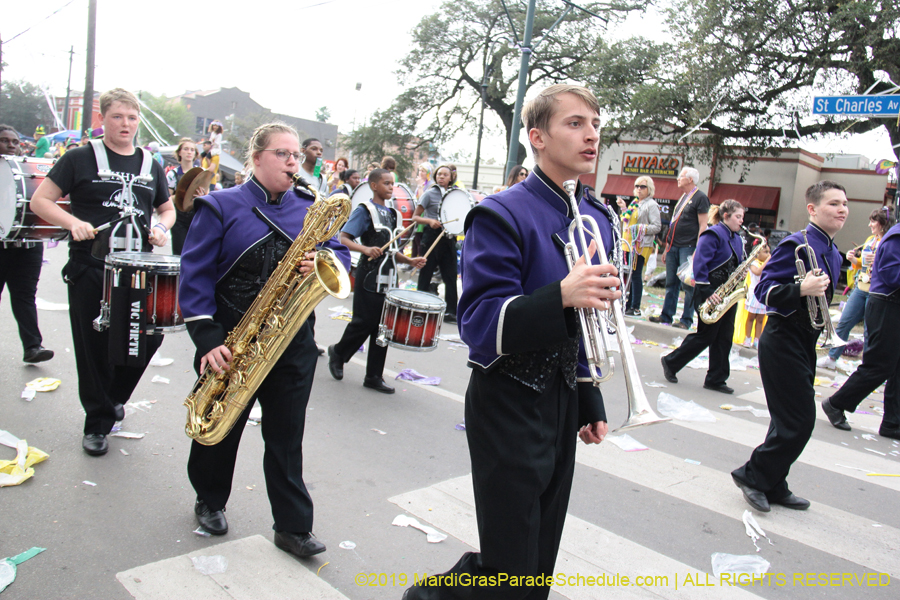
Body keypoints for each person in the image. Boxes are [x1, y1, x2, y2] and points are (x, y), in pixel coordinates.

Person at [403, 84, 618, 600]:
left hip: (562, 398)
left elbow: (588, 326)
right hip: (507, 400)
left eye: (595, 124)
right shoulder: (500, 213)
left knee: (538, 558)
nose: (591, 135)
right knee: (510, 568)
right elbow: (478, 324)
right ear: (537, 137)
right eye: (575, 123)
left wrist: (589, 396)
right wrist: (560, 295)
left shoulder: (597, 218)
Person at [178, 122, 350, 556]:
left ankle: (293, 527)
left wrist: (323, 258)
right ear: (256, 158)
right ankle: (209, 499)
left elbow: (341, 255)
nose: (293, 163)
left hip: (293, 340)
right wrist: (207, 339)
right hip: (232, 340)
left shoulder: (311, 209)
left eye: (296, 156)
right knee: (224, 426)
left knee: (287, 436)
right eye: (282, 154)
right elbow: (194, 275)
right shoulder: (220, 206)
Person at [29, 88, 175, 456]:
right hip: (91, 265)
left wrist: (162, 227)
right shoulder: (79, 158)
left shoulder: (151, 163)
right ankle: (96, 424)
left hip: (138, 270)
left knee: (148, 339)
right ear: (103, 119)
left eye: (132, 117)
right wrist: (72, 222)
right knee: (94, 348)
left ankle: (112, 401)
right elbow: (40, 200)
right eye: (117, 117)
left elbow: (167, 208)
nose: (125, 124)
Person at [732, 181, 847, 512]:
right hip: (783, 338)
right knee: (800, 420)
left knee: (785, 419)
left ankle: (774, 483)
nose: (842, 209)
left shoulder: (832, 251)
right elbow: (763, 291)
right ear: (812, 209)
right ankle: (752, 476)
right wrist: (801, 288)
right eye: (833, 204)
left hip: (806, 340)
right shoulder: (797, 244)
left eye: (844, 204)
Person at [327, 169, 426, 393]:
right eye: (386, 183)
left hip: (389, 276)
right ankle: (339, 352)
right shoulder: (365, 210)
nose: (391, 187)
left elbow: (391, 250)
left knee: (384, 327)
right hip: (369, 274)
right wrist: (365, 249)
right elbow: (344, 238)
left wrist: (410, 261)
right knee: (363, 322)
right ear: (373, 185)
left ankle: (373, 375)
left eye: (392, 183)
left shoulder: (393, 214)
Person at [821, 219, 900, 439]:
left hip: (893, 304)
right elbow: (892, 276)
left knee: (896, 367)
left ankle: (893, 422)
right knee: (880, 365)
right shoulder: (897, 237)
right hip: (887, 304)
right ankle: (836, 403)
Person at [661, 200, 745, 394]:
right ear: (726, 216)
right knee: (707, 335)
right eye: (738, 216)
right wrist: (708, 293)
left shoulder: (737, 238)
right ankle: (671, 362)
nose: (741, 221)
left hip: (728, 293)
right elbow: (700, 265)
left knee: (725, 336)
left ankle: (716, 379)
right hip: (711, 291)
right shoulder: (712, 234)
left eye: (742, 217)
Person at [0, 124, 54, 363]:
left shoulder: (27, 169)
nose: (11, 145)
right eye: (5, 141)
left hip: (28, 245)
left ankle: (33, 347)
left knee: (24, 295)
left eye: (14, 141)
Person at [817, 206, 895, 369]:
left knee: (870, 330)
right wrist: (853, 260)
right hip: (860, 288)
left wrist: (879, 259)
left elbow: (891, 268)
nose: (869, 225)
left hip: (876, 292)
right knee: (845, 322)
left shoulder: (891, 242)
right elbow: (862, 265)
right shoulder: (870, 240)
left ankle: (866, 365)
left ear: (882, 223)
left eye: (873, 222)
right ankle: (832, 358)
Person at [649, 167, 710, 329]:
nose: (678, 179)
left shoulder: (700, 198)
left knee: (688, 284)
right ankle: (666, 315)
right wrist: (667, 246)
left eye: (681, 176)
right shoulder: (683, 197)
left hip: (689, 246)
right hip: (673, 246)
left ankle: (686, 320)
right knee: (671, 283)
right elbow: (673, 223)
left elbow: (703, 225)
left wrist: (699, 248)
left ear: (690, 179)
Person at [412, 164, 458, 324]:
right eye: (439, 174)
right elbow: (415, 217)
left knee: (450, 276)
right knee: (426, 273)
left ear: (451, 178)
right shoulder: (429, 194)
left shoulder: (454, 195)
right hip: (431, 237)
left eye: (445, 175)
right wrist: (430, 221)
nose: (441, 177)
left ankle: (451, 311)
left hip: (448, 237)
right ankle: (418, 308)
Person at [616, 176, 661, 316]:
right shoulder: (635, 203)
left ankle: (635, 307)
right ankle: (628, 304)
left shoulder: (651, 205)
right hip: (628, 244)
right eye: (637, 186)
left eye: (642, 186)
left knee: (636, 275)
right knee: (628, 275)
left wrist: (640, 228)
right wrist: (624, 207)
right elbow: (627, 221)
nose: (639, 189)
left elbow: (657, 226)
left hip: (640, 245)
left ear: (649, 189)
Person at [167, 138, 203, 255]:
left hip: (196, 217)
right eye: (186, 149)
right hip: (179, 218)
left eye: (192, 150)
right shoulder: (173, 174)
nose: (189, 152)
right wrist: (182, 195)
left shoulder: (201, 173)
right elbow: (167, 199)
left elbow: (207, 195)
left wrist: (202, 196)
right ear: (179, 152)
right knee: (179, 252)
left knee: (196, 252)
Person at [742, 242, 771, 348]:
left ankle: (757, 339)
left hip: (763, 294)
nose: (768, 254)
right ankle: (747, 338)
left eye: (769, 252)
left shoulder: (767, 265)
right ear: (757, 253)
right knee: (751, 317)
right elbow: (757, 272)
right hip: (754, 293)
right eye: (765, 252)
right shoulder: (753, 263)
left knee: (760, 319)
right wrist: (768, 260)